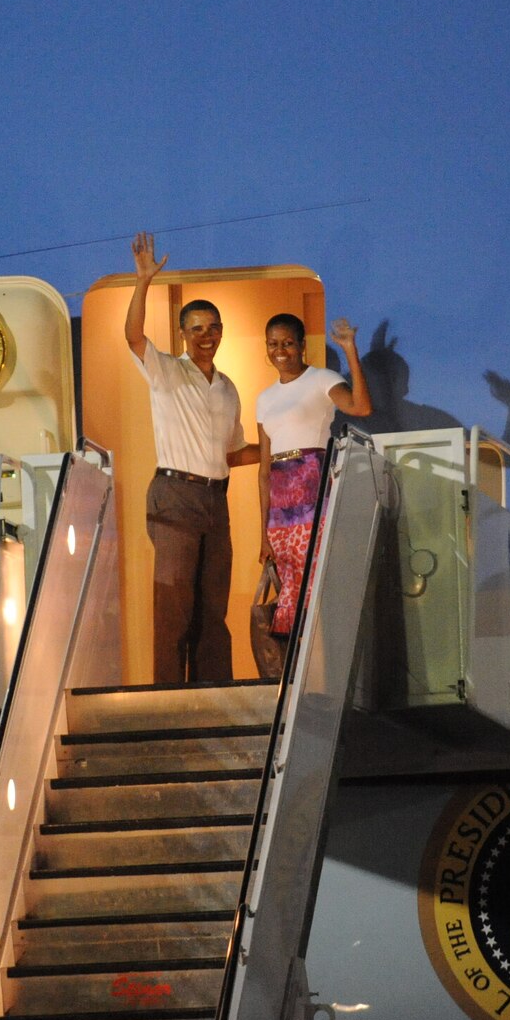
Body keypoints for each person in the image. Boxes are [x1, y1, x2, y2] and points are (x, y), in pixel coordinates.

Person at [126, 232, 260, 683]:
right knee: (174, 600)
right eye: (197, 329)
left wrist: (283, 450)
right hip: (174, 493)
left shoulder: (227, 387)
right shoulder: (167, 371)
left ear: (222, 332)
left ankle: (214, 691)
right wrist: (144, 281)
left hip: (214, 499)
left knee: (212, 601)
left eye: (213, 327)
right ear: (183, 335)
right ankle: (166, 694)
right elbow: (132, 336)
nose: (206, 336)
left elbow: (233, 452)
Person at [256, 314, 372, 638]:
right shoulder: (263, 399)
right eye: (273, 344)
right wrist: (262, 533)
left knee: (316, 579)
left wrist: (350, 349)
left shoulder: (322, 378)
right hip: (279, 503)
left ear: (302, 345)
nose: (281, 351)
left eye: (288, 343)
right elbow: (263, 471)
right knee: (290, 584)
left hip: (312, 489)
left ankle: (322, 665)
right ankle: (295, 675)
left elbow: (361, 407)